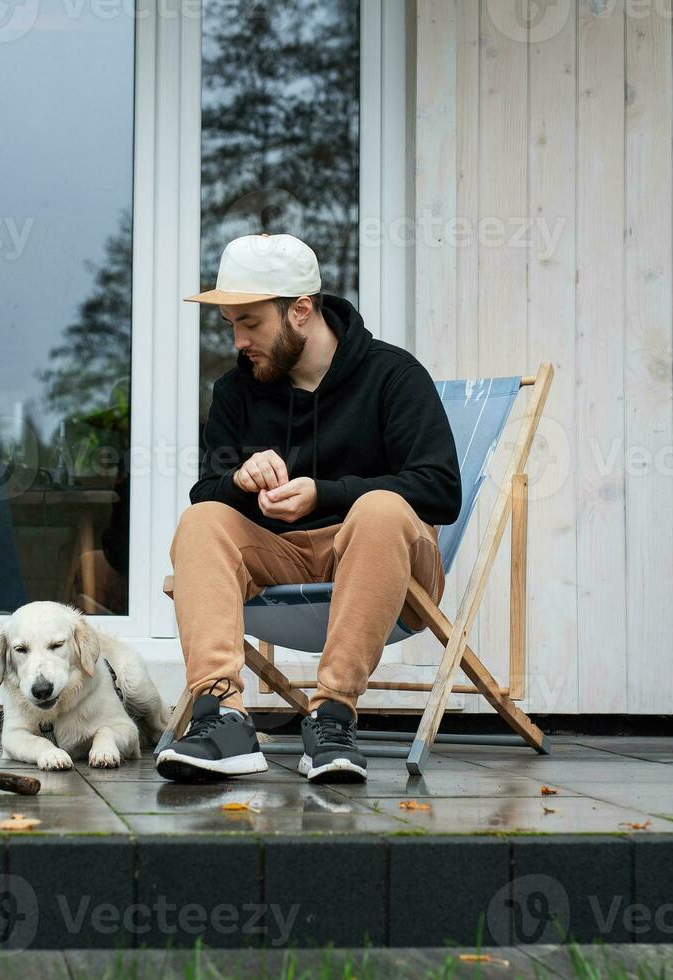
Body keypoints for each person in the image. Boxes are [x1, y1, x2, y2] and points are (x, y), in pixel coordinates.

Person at [156, 233, 461, 784]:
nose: (238, 340)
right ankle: (221, 716)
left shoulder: (392, 375)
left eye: (250, 322)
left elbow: (441, 490)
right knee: (200, 520)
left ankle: (334, 716)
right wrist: (240, 481)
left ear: (300, 310)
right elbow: (206, 493)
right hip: (282, 560)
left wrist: (328, 493)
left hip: (386, 565)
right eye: (230, 324)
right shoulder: (235, 391)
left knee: (382, 509)